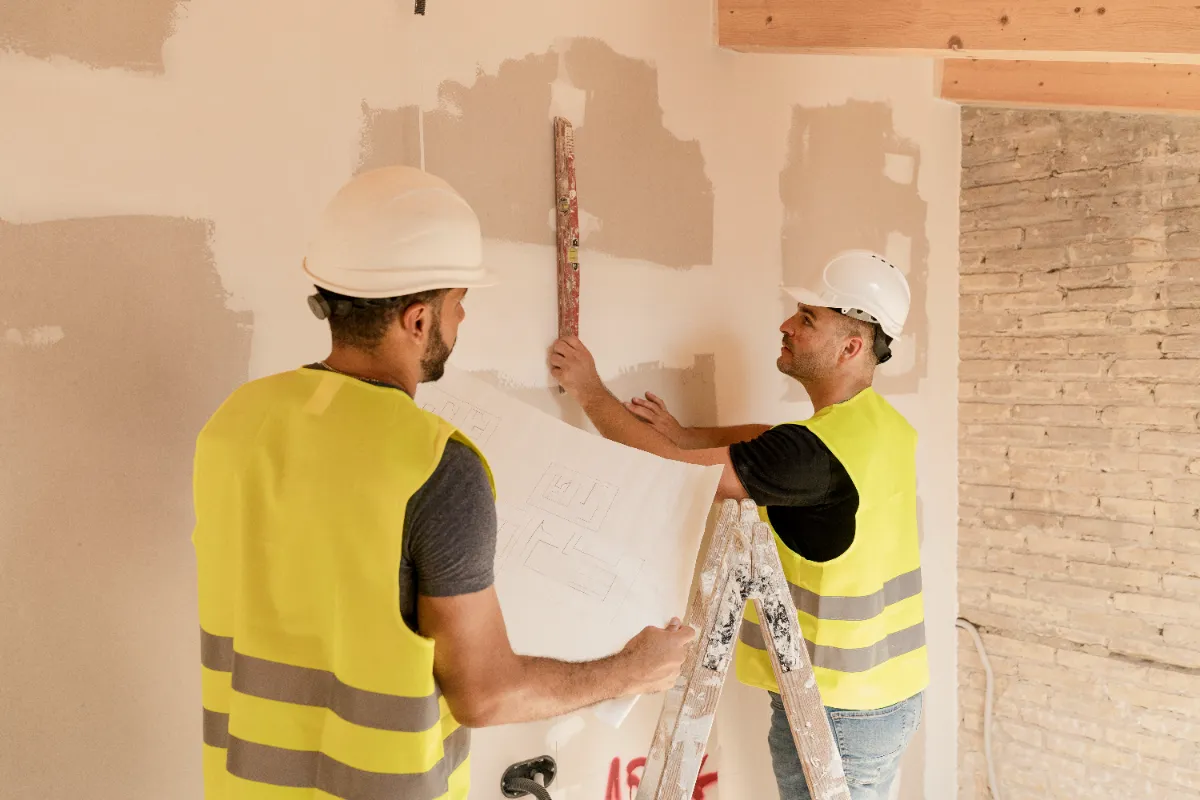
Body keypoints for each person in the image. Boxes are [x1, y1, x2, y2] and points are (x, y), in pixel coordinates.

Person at [192, 166, 694, 800]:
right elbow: (485, 695)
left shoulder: (236, 422)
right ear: (417, 320)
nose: (462, 319)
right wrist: (628, 672)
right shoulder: (434, 463)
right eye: (459, 303)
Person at [548, 251, 927, 800]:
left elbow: (673, 473)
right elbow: (768, 440)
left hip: (837, 711)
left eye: (808, 319)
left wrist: (590, 392)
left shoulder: (810, 454)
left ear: (851, 347)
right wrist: (686, 433)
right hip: (889, 693)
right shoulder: (876, 426)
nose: (786, 325)